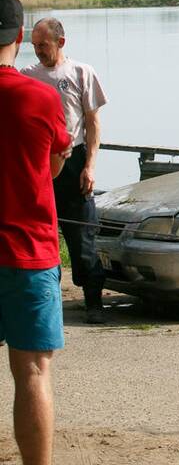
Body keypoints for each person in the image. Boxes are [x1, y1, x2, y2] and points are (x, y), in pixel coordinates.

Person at [0, 0, 71, 465]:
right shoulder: (41, 96)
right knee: (32, 373)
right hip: (27, 251)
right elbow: (53, 166)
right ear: (21, 36)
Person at [22, 17, 108, 324]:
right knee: (41, 237)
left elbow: (93, 122)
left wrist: (90, 166)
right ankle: (46, 303)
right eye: (33, 46)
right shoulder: (27, 76)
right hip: (39, 163)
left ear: (61, 42)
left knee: (82, 237)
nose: (38, 52)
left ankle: (94, 303)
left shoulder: (81, 73)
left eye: (43, 45)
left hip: (74, 161)